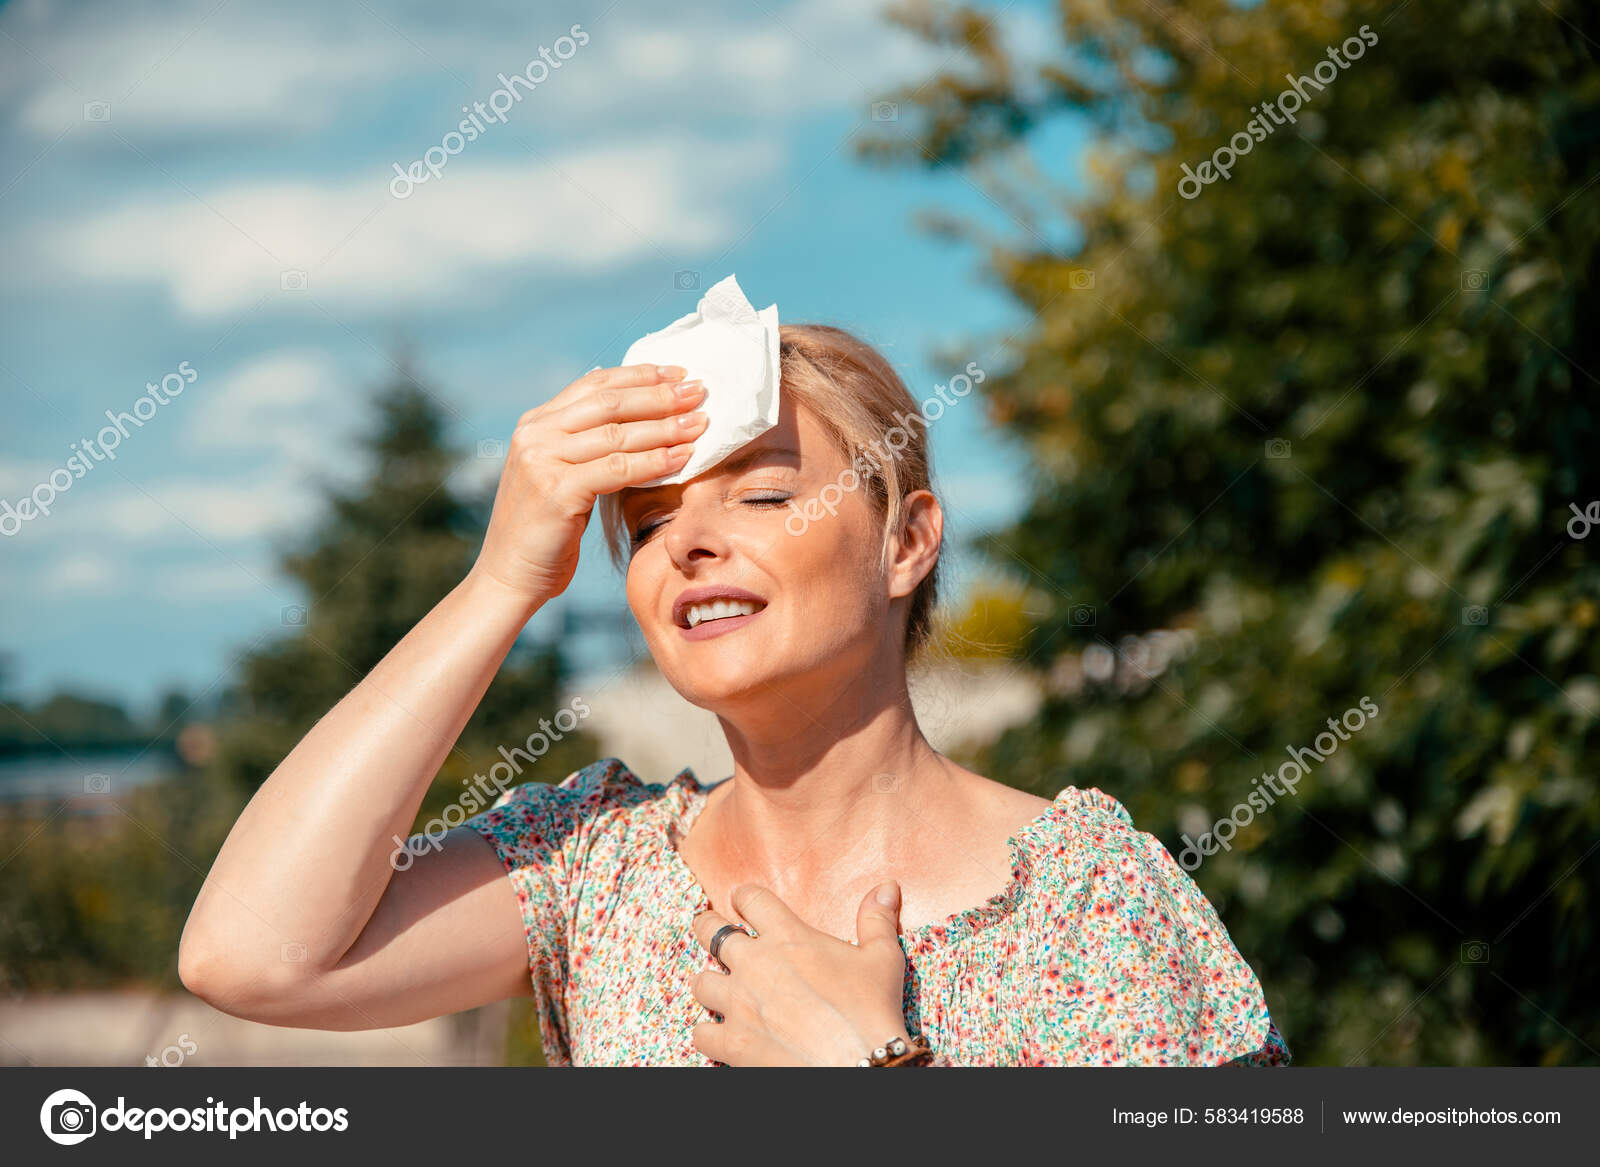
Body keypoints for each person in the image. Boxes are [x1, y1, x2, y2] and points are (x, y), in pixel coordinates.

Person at [179, 323, 1289, 1067]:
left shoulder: (1093, 900)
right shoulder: (591, 867)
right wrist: (504, 579)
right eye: (650, 524)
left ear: (906, 543)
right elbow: (253, 956)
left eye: (762, 496)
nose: (691, 544)